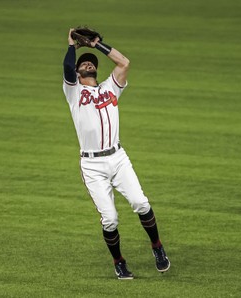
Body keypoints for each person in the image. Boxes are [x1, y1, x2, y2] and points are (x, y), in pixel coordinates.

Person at [62, 28, 170, 279]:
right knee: (109, 219)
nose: (87, 63)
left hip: (118, 159)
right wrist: (71, 46)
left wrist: (97, 44)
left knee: (141, 203)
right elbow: (67, 69)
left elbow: (124, 62)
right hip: (92, 165)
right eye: (83, 63)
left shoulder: (112, 87)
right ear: (78, 73)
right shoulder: (74, 93)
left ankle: (158, 248)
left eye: (91, 62)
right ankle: (119, 261)